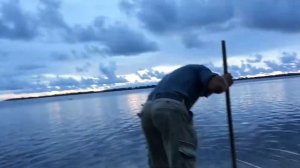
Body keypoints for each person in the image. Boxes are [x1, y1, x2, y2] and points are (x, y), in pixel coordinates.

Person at [139, 64, 233, 168]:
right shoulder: (200, 69)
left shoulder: (176, 77)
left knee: (159, 161)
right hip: (169, 107)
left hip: (147, 110)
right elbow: (217, 85)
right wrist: (224, 81)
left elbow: (207, 89)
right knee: (183, 159)